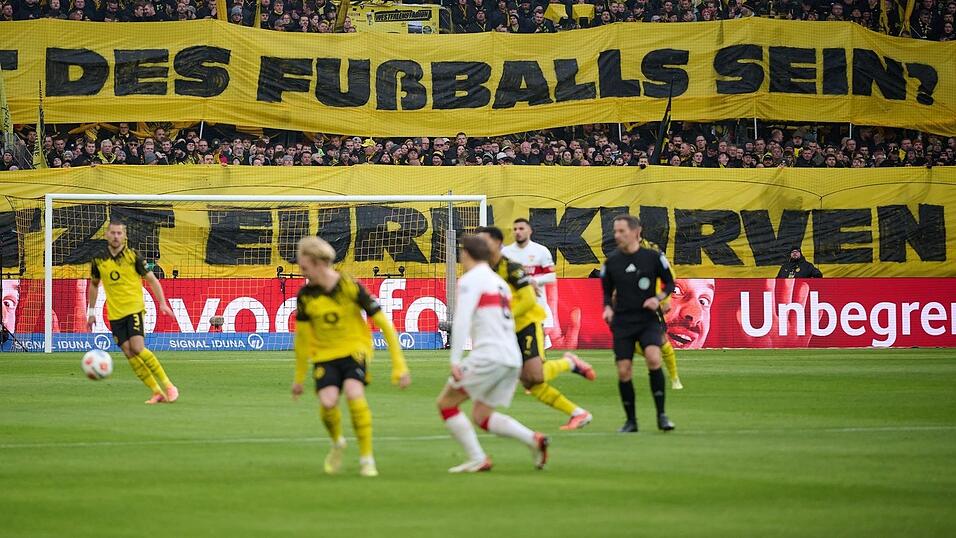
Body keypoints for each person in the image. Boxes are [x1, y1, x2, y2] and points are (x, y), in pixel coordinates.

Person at [291, 236, 411, 478]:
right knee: (328, 402)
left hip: (354, 349)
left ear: (318, 263)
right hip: (324, 354)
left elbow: (385, 325)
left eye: (304, 268)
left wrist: (399, 365)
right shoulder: (305, 296)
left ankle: (367, 459)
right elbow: (302, 339)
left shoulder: (350, 286)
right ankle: (337, 443)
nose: (302, 273)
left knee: (354, 394)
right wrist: (299, 378)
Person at [436, 235, 549, 473]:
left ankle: (478, 458)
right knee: (481, 415)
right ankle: (534, 440)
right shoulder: (499, 282)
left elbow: (462, 320)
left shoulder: (470, 280)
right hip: (512, 358)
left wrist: (455, 359)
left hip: (490, 356)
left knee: (446, 403)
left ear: (466, 254)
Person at [477, 226, 595, 431]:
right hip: (509, 329)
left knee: (535, 377)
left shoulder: (511, 267)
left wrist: (506, 316)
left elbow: (529, 300)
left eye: (483, 241)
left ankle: (569, 363)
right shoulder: (485, 270)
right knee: (531, 382)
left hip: (527, 325)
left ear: (497, 244)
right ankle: (578, 413)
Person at [86, 220, 179, 404]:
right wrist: (91, 311)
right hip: (115, 314)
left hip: (134, 309)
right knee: (129, 353)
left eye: (119, 233)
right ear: (107, 234)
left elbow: (152, 280)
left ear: (124, 236)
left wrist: (162, 303)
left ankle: (169, 385)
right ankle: (156, 392)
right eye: (113, 233)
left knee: (137, 348)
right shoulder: (99, 260)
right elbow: (94, 285)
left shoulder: (133, 257)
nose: (116, 236)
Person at [601, 215, 676, 433]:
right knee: (624, 371)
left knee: (653, 358)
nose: (617, 235)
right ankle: (631, 421)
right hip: (623, 322)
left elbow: (670, 282)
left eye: (621, 231)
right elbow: (606, 292)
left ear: (636, 232)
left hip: (647, 320)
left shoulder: (653, 257)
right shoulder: (611, 262)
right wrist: (607, 308)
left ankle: (661, 415)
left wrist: (658, 298)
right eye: (615, 231)